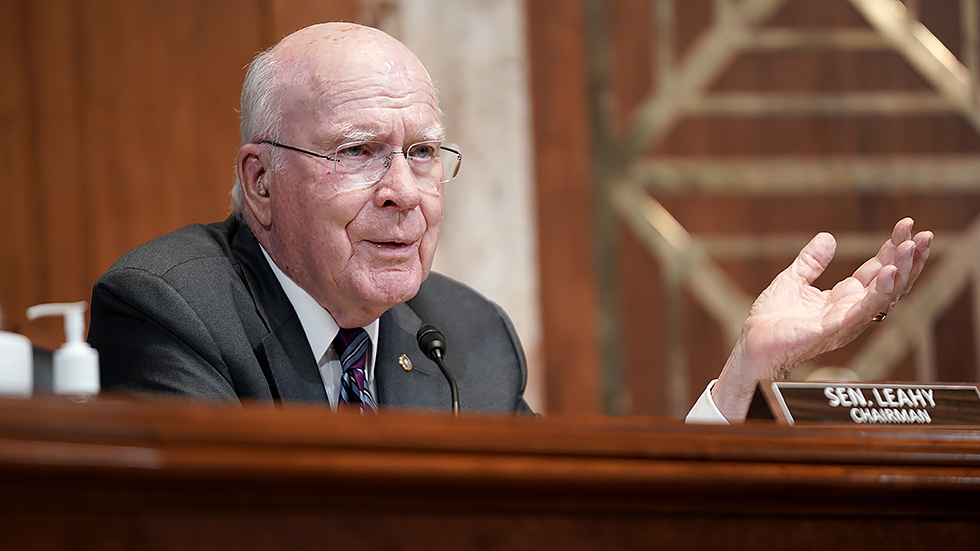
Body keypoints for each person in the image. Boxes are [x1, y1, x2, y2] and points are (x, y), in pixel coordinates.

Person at [87, 23, 932, 422]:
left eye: (422, 153)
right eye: (359, 152)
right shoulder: (171, 311)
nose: (403, 191)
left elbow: (580, 527)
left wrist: (744, 374)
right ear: (260, 181)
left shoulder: (465, 334)